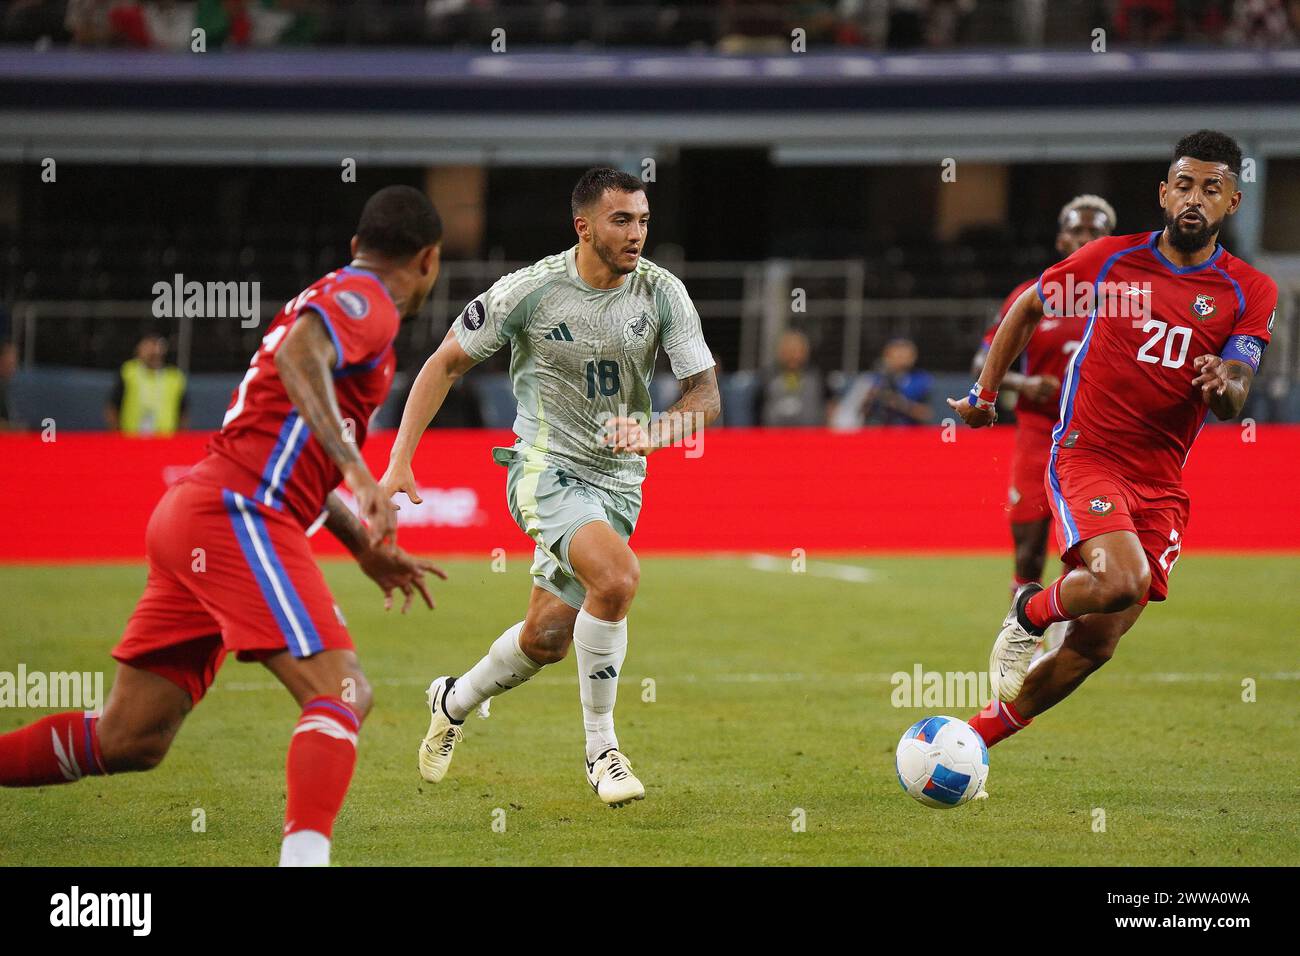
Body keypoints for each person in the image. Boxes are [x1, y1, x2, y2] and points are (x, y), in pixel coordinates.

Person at [0, 186, 448, 867]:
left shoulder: (333, 295)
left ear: (358, 242)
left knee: (130, 740)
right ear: (429, 260)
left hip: (197, 513)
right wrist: (361, 473)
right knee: (343, 690)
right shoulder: (369, 301)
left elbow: (287, 435)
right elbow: (302, 357)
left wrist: (361, 544)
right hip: (237, 514)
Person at [381, 167, 721, 807]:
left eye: (644, 220)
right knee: (617, 579)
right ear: (583, 226)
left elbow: (706, 396)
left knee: (546, 639)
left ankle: (451, 700)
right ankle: (604, 752)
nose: (637, 234)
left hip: (619, 485)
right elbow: (444, 361)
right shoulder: (530, 292)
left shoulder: (662, 293)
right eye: (622, 220)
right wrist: (400, 459)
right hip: (542, 468)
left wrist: (658, 429)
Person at [949, 130, 1277, 759]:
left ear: (1232, 202)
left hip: (1162, 481)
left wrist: (1223, 382)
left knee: (1095, 645)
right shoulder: (1109, 261)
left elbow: (1237, 390)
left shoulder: (1248, 292)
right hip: (1087, 453)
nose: (1194, 198)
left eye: (1212, 188)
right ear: (1162, 192)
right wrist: (987, 396)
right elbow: (1026, 307)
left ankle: (972, 739)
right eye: (1184, 184)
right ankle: (1028, 612)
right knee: (1122, 580)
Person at [969, 196, 1116, 606]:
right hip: (1039, 434)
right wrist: (1024, 383)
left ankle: (1063, 638)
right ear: (1061, 239)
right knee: (1030, 551)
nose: (1086, 239)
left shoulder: (1124, 300)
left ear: (1110, 240)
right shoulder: (1032, 295)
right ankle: (1021, 633)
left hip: (1096, 440)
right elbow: (983, 360)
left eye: (1096, 231)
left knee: (1088, 551)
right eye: (1077, 230)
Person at [831, 337, 931, 427]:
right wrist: (868, 398)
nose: (900, 357)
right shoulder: (873, 380)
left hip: (910, 435)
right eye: (896, 353)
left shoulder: (920, 379)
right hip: (879, 434)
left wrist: (896, 402)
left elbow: (926, 414)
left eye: (904, 353)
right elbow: (851, 414)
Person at [105, 332, 189, 436]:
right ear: (139, 350)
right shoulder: (128, 371)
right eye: (148, 347)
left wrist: (180, 438)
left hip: (165, 439)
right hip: (131, 438)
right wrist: (116, 434)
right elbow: (113, 407)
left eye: (156, 346)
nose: (153, 352)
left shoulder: (175, 377)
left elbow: (183, 412)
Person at [760, 329, 828, 427]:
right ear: (780, 353)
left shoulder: (818, 377)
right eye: (787, 351)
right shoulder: (766, 378)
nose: (792, 356)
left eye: (796, 351)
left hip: (810, 437)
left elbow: (830, 409)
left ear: (805, 352)